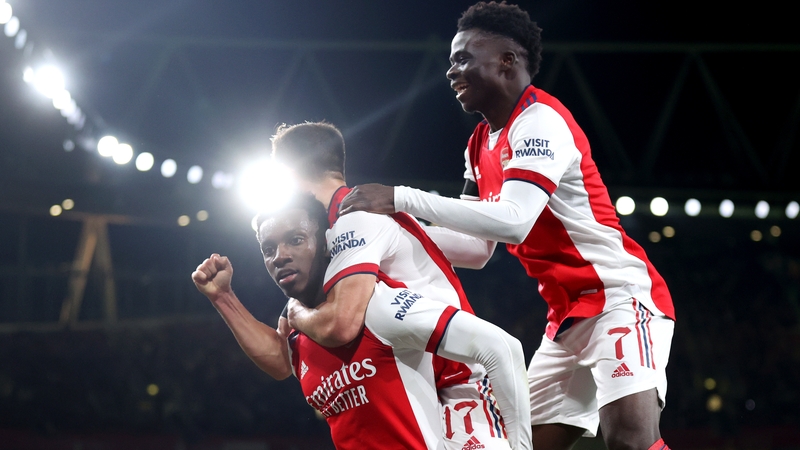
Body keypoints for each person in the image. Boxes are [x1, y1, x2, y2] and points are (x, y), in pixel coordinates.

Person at [338, 2, 675, 450]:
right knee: (522, 444)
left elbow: (514, 222)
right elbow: (476, 249)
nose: (450, 71)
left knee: (630, 442)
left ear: (507, 61)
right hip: (566, 320)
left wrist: (401, 197)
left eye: (463, 58)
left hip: (619, 297)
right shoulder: (478, 144)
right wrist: (390, 231)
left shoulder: (541, 121)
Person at [191, 192, 530, 449]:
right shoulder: (301, 334)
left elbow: (503, 348)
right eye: (268, 249)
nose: (280, 256)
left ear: (326, 245)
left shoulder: (377, 304)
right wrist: (223, 297)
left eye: (295, 240)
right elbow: (279, 362)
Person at [271, 122, 531, 449]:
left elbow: (342, 324)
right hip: (428, 385)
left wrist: (295, 311)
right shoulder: (372, 213)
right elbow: (475, 249)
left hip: (456, 384)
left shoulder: (352, 219)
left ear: (287, 173)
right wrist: (475, 169)